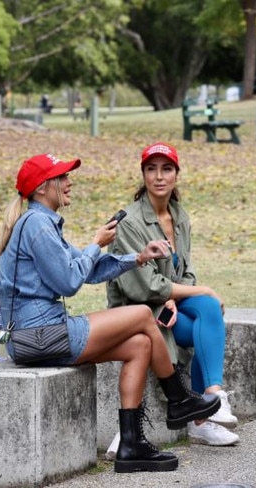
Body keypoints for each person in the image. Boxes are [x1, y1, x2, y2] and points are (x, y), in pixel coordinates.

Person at [0, 153, 221, 474]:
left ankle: (131, 446)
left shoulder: (42, 223)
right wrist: (95, 243)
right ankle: (179, 400)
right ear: (43, 188)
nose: (69, 183)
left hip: (42, 334)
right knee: (142, 314)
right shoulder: (37, 226)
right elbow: (70, 281)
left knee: (140, 344)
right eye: (62, 178)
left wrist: (139, 257)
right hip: (40, 336)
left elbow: (90, 270)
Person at [106, 142, 238, 450]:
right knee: (204, 312)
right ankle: (203, 418)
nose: (159, 176)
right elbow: (141, 286)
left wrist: (179, 293)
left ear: (176, 174)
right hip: (138, 309)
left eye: (166, 169)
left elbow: (187, 270)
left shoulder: (180, 216)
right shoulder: (130, 222)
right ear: (143, 175)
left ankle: (213, 398)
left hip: (171, 302)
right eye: (151, 169)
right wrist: (183, 292)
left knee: (207, 308)